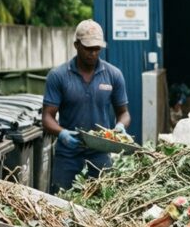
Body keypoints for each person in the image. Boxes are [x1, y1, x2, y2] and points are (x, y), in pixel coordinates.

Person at [42, 19, 131, 193]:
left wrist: (120, 126)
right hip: (68, 155)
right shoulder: (58, 76)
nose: (93, 53)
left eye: (97, 49)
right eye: (88, 48)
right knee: (62, 203)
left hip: (100, 153)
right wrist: (62, 134)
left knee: (104, 204)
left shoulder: (113, 75)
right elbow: (47, 117)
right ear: (76, 45)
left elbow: (124, 112)